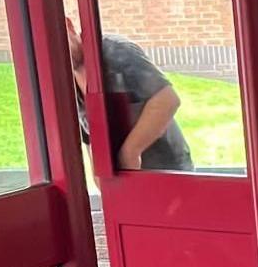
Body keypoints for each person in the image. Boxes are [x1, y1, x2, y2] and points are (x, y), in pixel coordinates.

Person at [66, 19, 193, 171]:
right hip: (125, 182)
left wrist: (129, 153)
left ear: (69, 26)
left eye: (59, 40)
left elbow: (167, 100)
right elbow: (90, 138)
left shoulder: (114, 51)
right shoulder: (65, 84)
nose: (57, 53)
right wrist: (103, 180)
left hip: (167, 171)